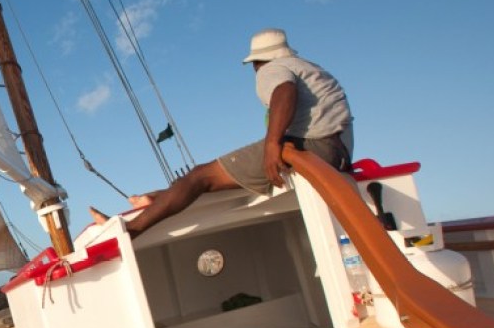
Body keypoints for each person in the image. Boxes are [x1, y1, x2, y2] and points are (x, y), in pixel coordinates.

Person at [90, 27, 354, 237]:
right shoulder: (309, 67)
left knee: (200, 177)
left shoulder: (272, 69)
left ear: (256, 61)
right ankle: (151, 198)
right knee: (216, 179)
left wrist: (273, 144)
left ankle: (130, 231)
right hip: (338, 151)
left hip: (310, 149)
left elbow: (284, 92)